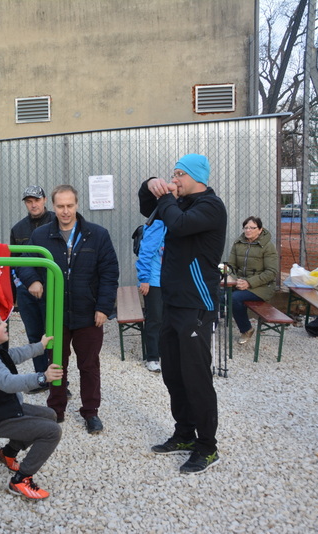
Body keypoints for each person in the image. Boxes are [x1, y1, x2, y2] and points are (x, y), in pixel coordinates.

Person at [138, 153, 227, 475]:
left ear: (196, 177)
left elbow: (178, 223)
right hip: (172, 302)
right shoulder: (180, 203)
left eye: (179, 174)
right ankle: (185, 433)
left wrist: (166, 197)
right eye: (172, 174)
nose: (174, 180)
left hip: (196, 305)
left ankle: (207, 447)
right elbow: (148, 206)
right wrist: (151, 184)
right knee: (173, 374)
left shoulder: (210, 206)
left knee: (196, 377)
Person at [17, 184, 119, 434]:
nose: (65, 211)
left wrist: (104, 307)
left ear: (77, 205)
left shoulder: (97, 234)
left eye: (69, 206)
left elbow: (109, 273)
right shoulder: (41, 235)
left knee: (89, 365)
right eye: (60, 206)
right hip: (55, 313)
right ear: (53, 206)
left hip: (88, 313)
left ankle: (91, 412)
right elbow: (24, 262)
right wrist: (33, 280)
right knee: (55, 363)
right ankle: (56, 409)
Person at [0, 305, 63, 500]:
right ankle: (21, 480)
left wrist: (40, 346)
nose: (5, 324)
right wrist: (42, 377)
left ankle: (7, 453)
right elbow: (8, 383)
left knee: (49, 415)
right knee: (52, 431)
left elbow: (15, 355)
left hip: (0, 409)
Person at [10, 186, 56, 381]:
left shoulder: (56, 222)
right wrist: (16, 291)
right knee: (34, 334)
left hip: (53, 287)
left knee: (53, 334)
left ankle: (59, 379)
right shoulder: (18, 229)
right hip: (26, 289)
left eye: (36, 200)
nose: (33, 205)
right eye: (29, 201)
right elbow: (14, 261)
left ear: (44, 200)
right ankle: (41, 377)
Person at [227, 216, 278, 344]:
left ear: (260, 230)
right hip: (240, 282)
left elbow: (271, 272)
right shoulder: (238, 243)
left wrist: (249, 283)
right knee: (217, 293)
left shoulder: (267, 246)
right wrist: (232, 277)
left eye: (252, 228)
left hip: (263, 286)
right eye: (246, 227)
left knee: (235, 298)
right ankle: (210, 328)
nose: (248, 230)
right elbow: (231, 266)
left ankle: (246, 330)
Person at [136, 218, 167, 372]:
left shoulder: (176, 223)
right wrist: (144, 279)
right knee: (155, 319)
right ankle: (152, 357)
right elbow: (146, 252)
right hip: (154, 281)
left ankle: (164, 352)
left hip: (169, 280)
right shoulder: (158, 225)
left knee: (166, 319)